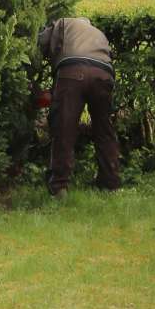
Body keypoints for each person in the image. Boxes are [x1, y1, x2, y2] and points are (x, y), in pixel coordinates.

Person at [37, 16, 121, 196]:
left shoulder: (64, 22)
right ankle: (110, 183)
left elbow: (41, 41)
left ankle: (59, 186)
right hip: (103, 75)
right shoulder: (98, 33)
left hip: (72, 72)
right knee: (104, 129)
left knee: (64, 129)